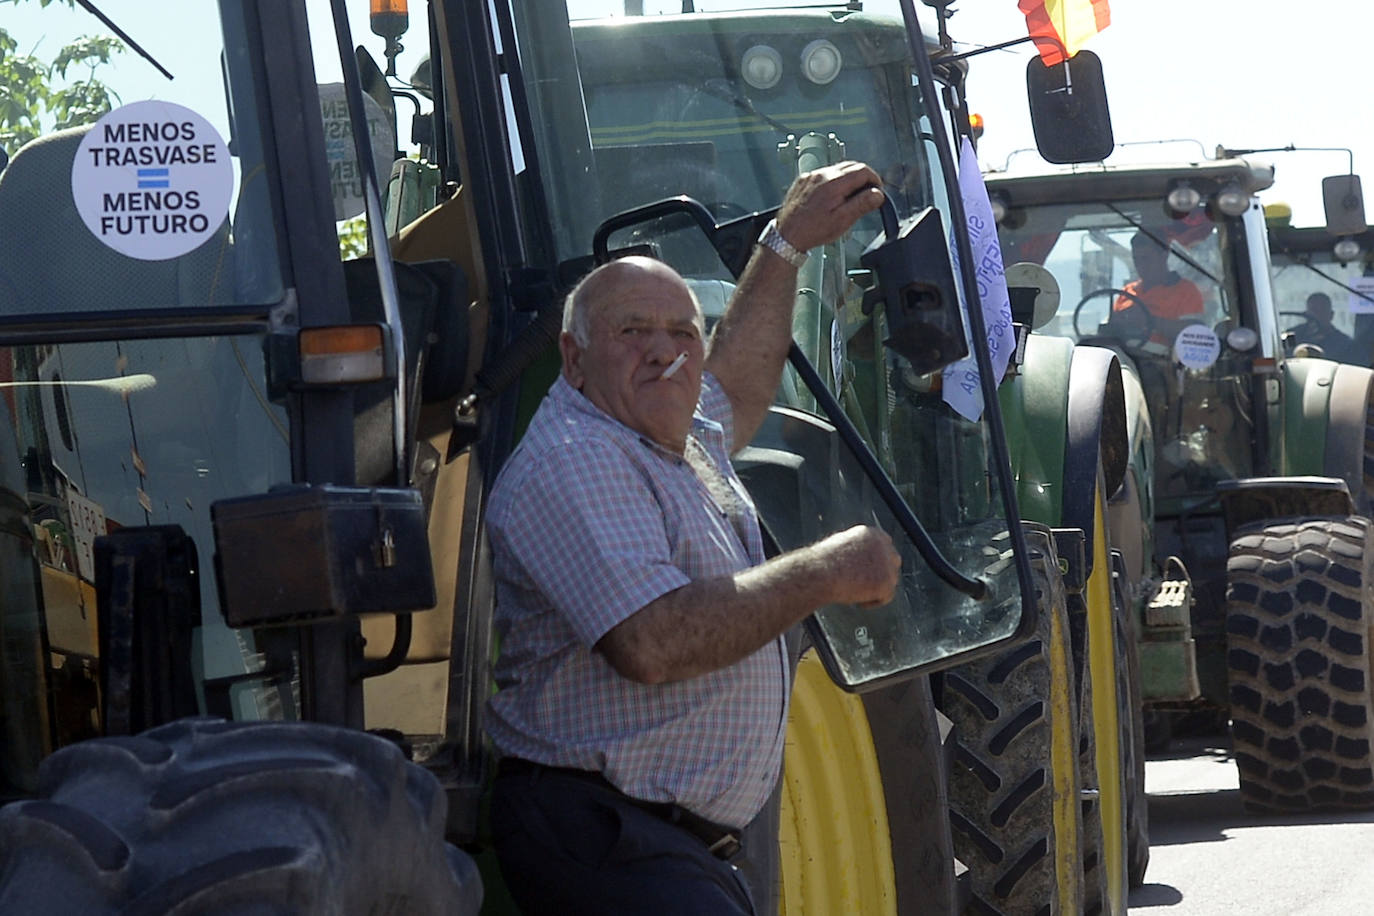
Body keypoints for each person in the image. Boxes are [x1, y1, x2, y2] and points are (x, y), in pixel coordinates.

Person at [483, 161, 900, 915]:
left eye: (682, 332)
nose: (664, 351)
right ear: (572, 360)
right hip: (605, 835)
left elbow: (735, 384)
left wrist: (782, 246)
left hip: (658, 845)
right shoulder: (578, 459)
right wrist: (823, 572)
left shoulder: (670, 432)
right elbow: (653, 643)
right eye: (632, 331)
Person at [1109, 230, 1205, 345]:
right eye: (1136, 259)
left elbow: (1195, 333)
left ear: (1164, 255)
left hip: (1163, 358)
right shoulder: (1126, 293)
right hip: (1124, 355)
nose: (1141, 265)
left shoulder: (1186, 291)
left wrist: (1149, 321)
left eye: (1146, 259)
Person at [1291, 292, 1363, 364]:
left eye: (1321, 311)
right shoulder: (1292, 338)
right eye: (1313, 310)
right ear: (1306, 314)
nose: (1316, 315)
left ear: (1331, 315)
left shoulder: (1346, 345)